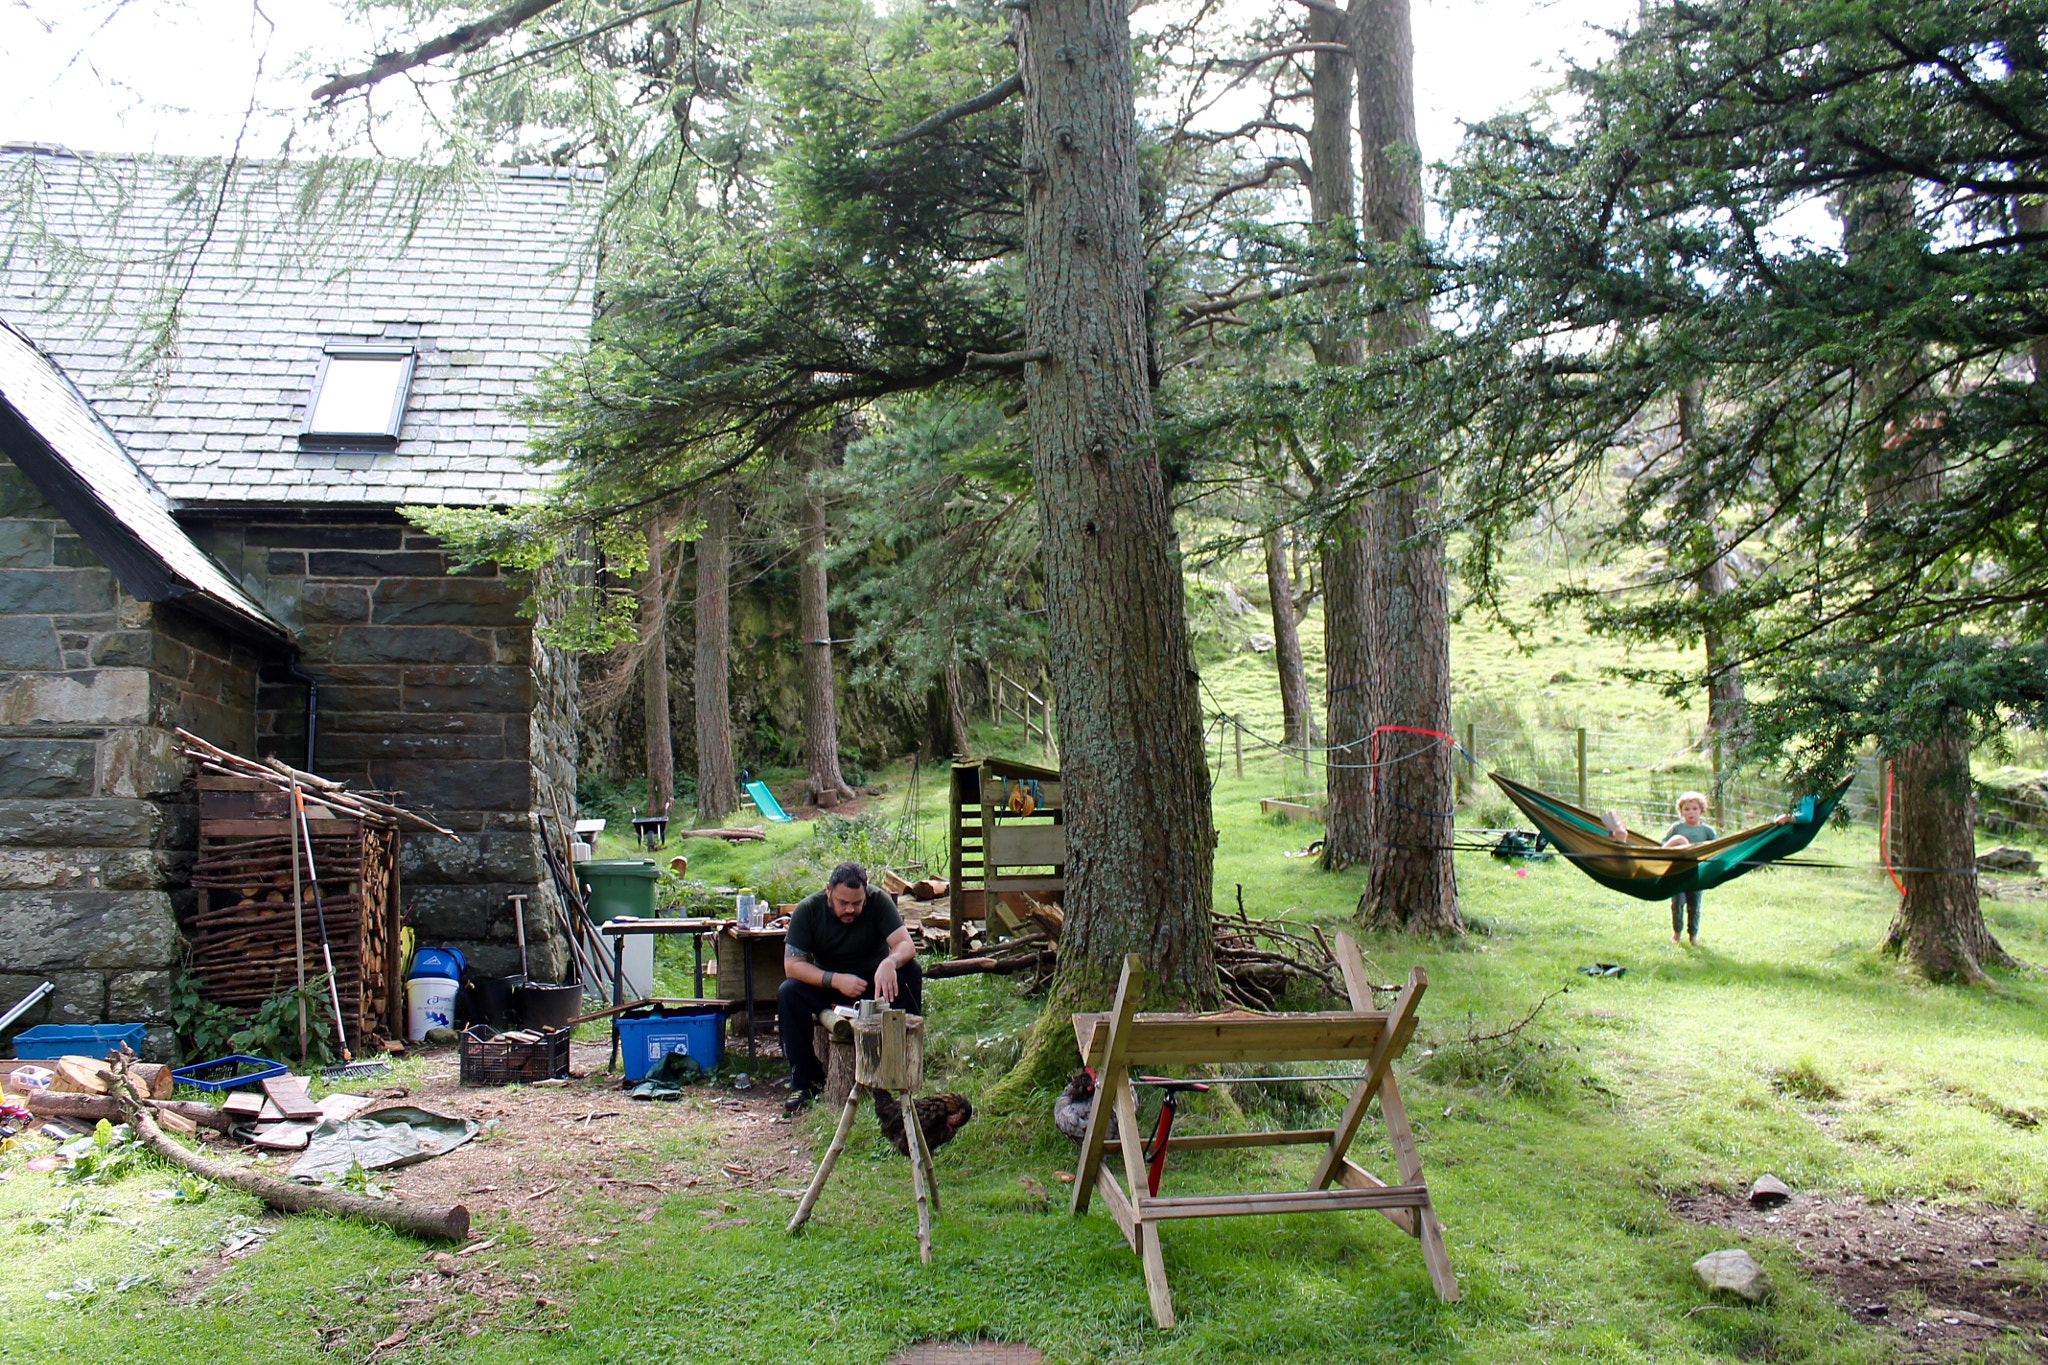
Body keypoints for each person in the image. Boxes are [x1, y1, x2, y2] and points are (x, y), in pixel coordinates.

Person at [776, 861, 922, 1111]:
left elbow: (905, 945)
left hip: (874, 985)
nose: (850, 909)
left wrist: (890, 962)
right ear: (828, 892)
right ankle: (806, 1081)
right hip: (830, 985)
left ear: (865, 894)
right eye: (843, 903)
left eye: (857, 903)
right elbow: (793, 965)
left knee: (911, 971)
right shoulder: (808, 910)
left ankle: (902, 1064)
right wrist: (834, 979)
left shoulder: (878, 901)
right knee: (788, 992)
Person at [1662, 791, 1716, 946]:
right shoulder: (1677, 828)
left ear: (1701, 811)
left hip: (1696, 872)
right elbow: (1664, 845)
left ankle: (1693, 936)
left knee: (1694, 906)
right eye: (1687, 809)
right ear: (1681, 811)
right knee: (1677, 904)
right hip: (1677, 871)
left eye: (1694, 809)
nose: (1691, 812)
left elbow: (1718, 846)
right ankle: (1676, 934)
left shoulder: (1706, 831)